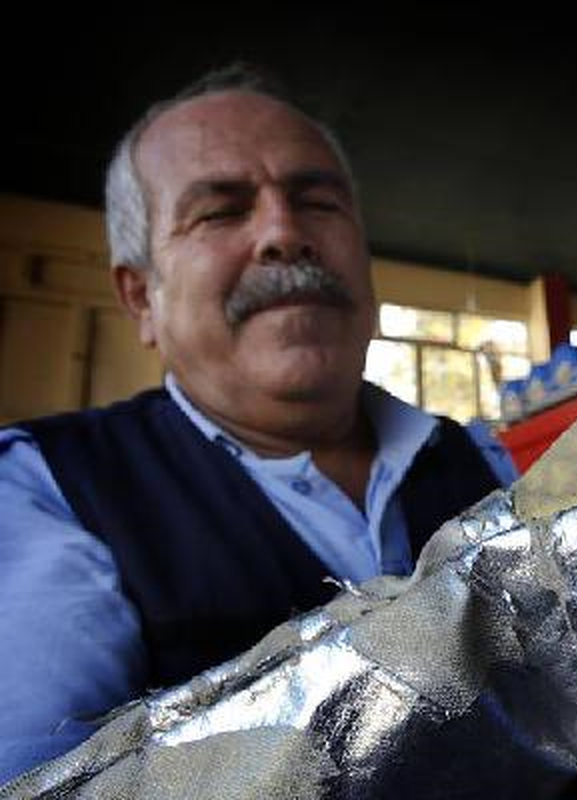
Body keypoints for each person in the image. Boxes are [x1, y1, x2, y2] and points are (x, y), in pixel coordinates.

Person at [0, 65, 517, 782]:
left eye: (319, 203)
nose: (285, 234)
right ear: (141, 296)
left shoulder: (489, 463)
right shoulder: (46, 491)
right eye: (219, 212)